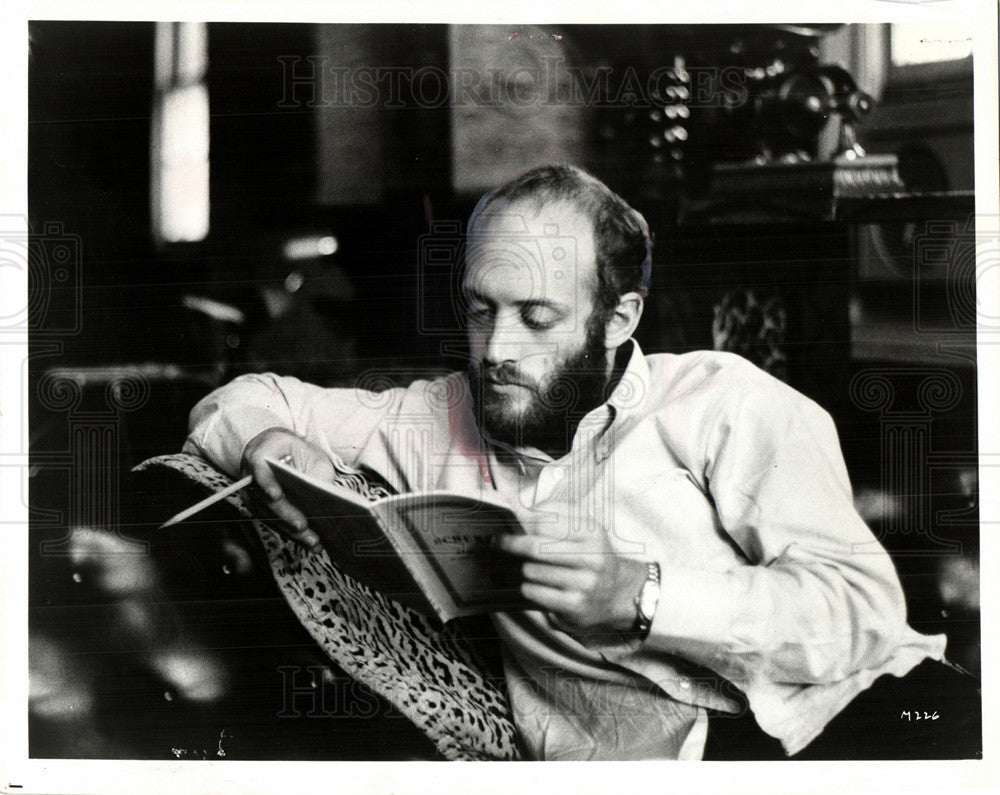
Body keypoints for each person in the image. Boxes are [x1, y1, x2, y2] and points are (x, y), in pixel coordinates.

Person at [183, 163, 979, 760]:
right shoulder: (434, 420)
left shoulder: (721, 402)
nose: (496, 350)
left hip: (873, 718)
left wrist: (643, 596)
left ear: (617, 317)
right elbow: (241, 399)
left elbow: (863, 617)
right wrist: (266, 442)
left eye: (537, 318)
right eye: (480, 310)